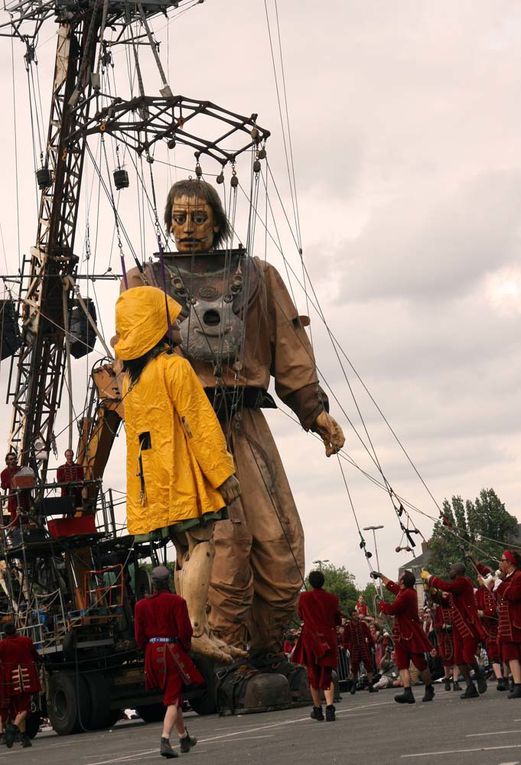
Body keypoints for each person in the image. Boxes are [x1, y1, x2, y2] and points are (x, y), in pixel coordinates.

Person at [122, 178, 345, 661]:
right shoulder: (143, 282)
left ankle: (264, 651)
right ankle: (228, 662)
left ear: (218, 222)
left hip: (245, 421)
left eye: (198, 218)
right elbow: (130, 367)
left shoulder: (258, 276)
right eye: (178, 219)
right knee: (223, 549)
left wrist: (316, 412)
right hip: (186, 431)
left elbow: (288, 351)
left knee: (281, 545)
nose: (187, 228)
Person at [114, 286, 242, 664]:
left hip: (150, 485)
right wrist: (222, 473)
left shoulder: (130, 382)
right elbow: (199, 422)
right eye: (166, 322)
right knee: (203, 543)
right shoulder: (173, 367)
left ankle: (195, 627)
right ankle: (196, 628)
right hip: (180, 475)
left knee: (184, 550)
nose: (174, 327)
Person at [135, 566, 203, 758]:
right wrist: (185, 647)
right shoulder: (177, 602)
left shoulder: (140, 605)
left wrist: (145, 649)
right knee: (173, 698)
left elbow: (139, 636)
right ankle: (165, 739)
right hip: (171, 652)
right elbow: (185, 631)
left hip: (151, 652)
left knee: (174, 696)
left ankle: (184, 738)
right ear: (168, 582)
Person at [422, 563, 487, 699]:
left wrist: (430, 577)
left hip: (468, 625)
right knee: (458, 658)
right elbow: (445, 601)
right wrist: (432, 592)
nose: (449, 571)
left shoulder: (463, 582)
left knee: (467, 656)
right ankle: (470, 686)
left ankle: (479, 672)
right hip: (458, 627)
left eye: (451, 569)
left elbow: (447, 587)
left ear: (458, 571)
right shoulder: (457, 586)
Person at [373, 570, 434, 704]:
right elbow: (393, 587)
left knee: (420, 664)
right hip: (401, 635)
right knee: (402, 664)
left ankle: (429, 687)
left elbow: (392, 609)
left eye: (400, 578)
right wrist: (381, 577)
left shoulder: (407, 594)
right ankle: (408, 692)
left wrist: (382, 604)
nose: (398, 579)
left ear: (403, 581)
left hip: (410, 633)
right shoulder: (405, 592)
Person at [291, 570, 341, 721]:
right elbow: (337, 619)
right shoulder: (332, 599)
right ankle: (330, 708)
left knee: (312, 674)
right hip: (327, 639)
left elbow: (300, 615)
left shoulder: (304, 597)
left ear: (311, 582)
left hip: (310, 639)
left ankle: (318, 709)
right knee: (326, 674)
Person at [0, 621, 41, 748]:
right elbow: (35, 655)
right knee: (25, 709)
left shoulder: (2, 644)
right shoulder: (26, 641)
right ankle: (13, 728)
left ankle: (24, 737)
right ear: (16, 630)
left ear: (5, 633)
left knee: (17, 709)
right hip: (26, 679)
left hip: (10, 681)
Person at [474, 562, 507, 691]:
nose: (478, 579)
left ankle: (506, 677)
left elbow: (497, 608)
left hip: (501, 624)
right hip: (488, 628)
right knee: (493, 653)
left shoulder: (496, 588)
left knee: (504, 652)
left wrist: (484, 613)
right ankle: (500, 679)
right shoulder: (479, 593)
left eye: (480, 577)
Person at [495, 550, 521, 699]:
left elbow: (514, 594)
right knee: (511, 655)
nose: (500, 562)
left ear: (509, 562)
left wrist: (500, 585)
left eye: (502, 560)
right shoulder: (507, 578)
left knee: (516, 655)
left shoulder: (518, 576)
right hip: (508, 624)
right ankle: (517, 684)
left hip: (516, 622)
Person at [342, 610, 377, 693]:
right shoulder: (348, 627)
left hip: (363, 647)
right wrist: (346, 648)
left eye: (356, 614)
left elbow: (369, 635)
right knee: (354, 667)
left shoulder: (363, 625)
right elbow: (345, 639)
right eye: (354, 615)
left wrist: (372, 646)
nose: (356, 616)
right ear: (351, 616)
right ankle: (354, 684)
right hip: (354, 648)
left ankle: (370, 685)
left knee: (368, 665)